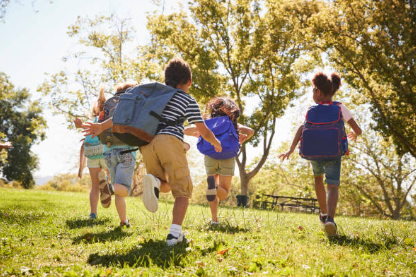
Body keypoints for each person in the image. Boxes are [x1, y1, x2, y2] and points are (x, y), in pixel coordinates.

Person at [83, 58, 221, 246]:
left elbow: (124, 115)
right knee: (183, 191)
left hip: (147, 143)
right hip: (170, 141)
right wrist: (215, 142)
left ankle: (154, 181)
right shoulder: (187, 99)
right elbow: (203, 130)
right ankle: (174, 235)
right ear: (189, 81)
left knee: (164, 183)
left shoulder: (155, 96)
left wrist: (101, 126)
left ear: (166, 80)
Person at [279, 72, 362, 237]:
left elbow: (302, 129)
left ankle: (323, 213)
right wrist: (354, 133)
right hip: (333, 152)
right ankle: (330, 219)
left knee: (318, 178)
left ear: (318, 91)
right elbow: (357, 129)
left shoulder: (311, 109)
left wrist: (291, 148)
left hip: (314, 153)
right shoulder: (339, 107)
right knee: (332, 185)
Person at [184, 97, 254, 225]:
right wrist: (242, 138)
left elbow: (186, 129)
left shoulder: (207, 122)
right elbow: (250, 131)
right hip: (227, 156)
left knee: (212, 193)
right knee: (223, 193)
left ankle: (214, 220)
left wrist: (198, 133)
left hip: (210, 155)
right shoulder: (232, 123)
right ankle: (215, 187)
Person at [79, 81, 138, 227]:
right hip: (126, 152)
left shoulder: (110, 106)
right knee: (122, 189)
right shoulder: (131, 106)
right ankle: (109, 188)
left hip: (108, 151)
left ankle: (124, 221)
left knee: (119, 188)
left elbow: (99, 129)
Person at [74, 86, 108, 220]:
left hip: (92, 155)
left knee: (94, 186)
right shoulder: (108, 122)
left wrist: (81, 168)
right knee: (111, 175)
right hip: (105, 154)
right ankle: (109, 184)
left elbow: (83, 147)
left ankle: (93, 213)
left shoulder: (91, 123)